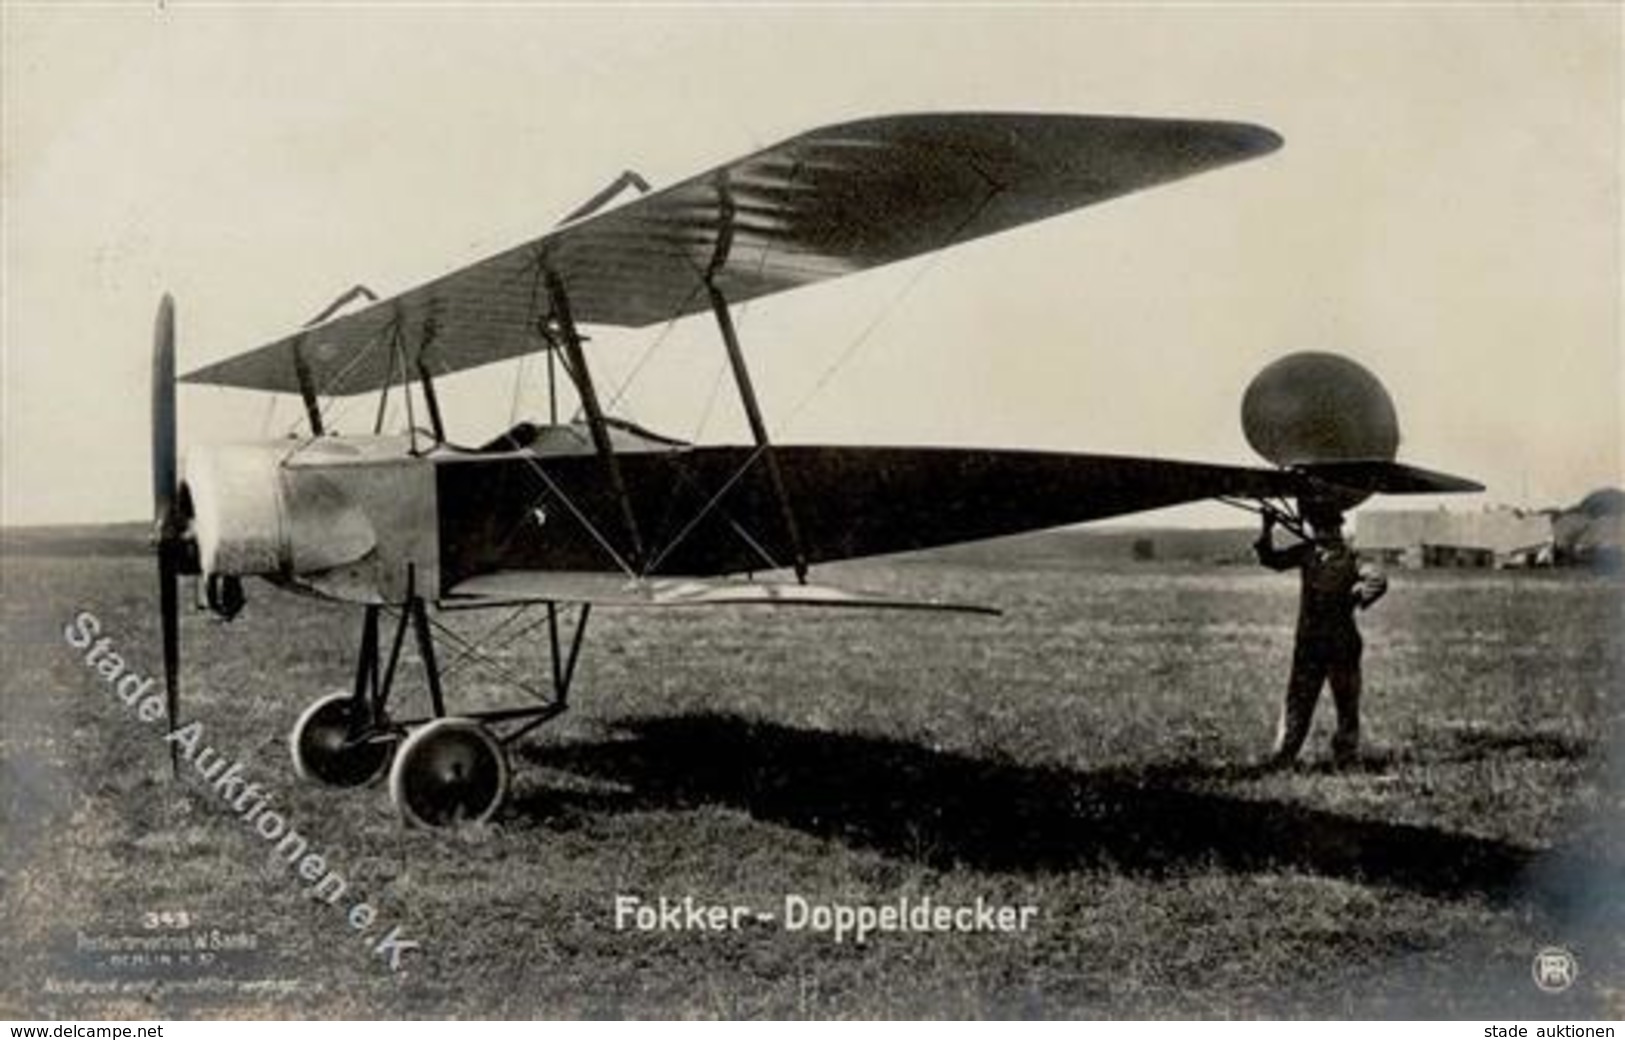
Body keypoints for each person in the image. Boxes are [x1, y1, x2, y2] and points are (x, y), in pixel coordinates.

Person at [1255, 502, 1388, 767]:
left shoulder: (1352, 556)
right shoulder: (1307, 553)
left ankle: (1346, 757)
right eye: (1320, 528)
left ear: (1338, 529)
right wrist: (1267, 527)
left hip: (1342, 644)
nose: (1325, 533)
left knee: (1347, 704)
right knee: (1298, 702)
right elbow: (1271, 559)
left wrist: (1358, 596)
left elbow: (1378, 580)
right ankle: (1283, 757)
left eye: (1329, 528)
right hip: (1310, 645)